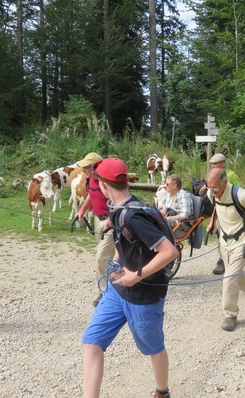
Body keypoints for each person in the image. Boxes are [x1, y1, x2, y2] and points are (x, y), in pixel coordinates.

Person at [82, 158, 179, 398]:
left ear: (104, 186)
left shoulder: (133, 215)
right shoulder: (117, 208)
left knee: (152, 347)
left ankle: (162, 391)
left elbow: (169, 251)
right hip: (117, 290)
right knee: (92, 341)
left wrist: (136, 276)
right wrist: (116, 260)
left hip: (144, 295)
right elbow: (123, 242)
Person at [205, 167, 245, 332]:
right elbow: (217, 207)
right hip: (225, 241)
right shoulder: (212, 193)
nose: (212, 191)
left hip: (244, 241)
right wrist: (212, 222)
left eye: (215, 187)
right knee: (235, 275)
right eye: (209, 186)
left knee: (229, 277)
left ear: (225, 182)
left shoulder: (241, 195)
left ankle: (230, 315)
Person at [74, 152, 115, 307]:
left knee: (101, 257)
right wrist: (83, 210)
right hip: (99, 219)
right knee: (111, 255)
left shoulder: (107, 180)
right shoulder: (91, 179)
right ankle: (117, 284)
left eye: (86, 167)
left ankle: (104, 292)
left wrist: (111, 218)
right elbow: (91, 195)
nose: (83, 170)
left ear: (95, 166)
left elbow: (120, 198)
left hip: (111, 222)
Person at [207, 153, 244, 276]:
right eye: (212, 164)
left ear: (223, 163)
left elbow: (241, 190)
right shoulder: (214, 175)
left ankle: (230, 259)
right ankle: (222, 259)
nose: (213, 166)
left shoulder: (231, 175)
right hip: (220, 208)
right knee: (219, 233)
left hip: (232, 210)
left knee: (230, 234)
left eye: (215, 164)